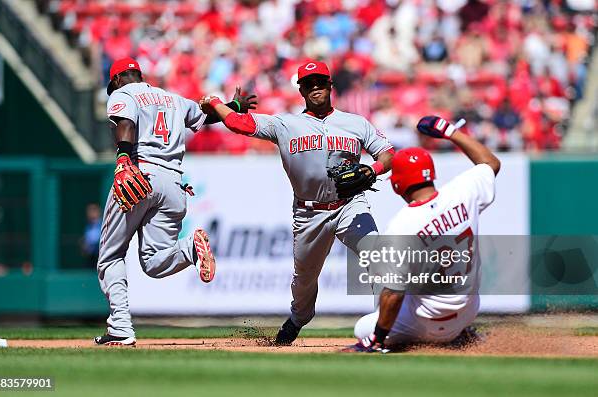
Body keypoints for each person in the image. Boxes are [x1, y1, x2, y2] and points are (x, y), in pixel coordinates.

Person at [200, 60, 395, 345]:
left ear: (330, 85)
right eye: (309, 84)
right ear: (302, 90)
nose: (315, 87)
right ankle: (297, 320)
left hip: (350, 204)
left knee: (378, 256)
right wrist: (217, 102)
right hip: (309, 213)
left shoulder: (356, 123)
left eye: (320, 82)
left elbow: (388, 154)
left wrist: (373, 169)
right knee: (304, 281)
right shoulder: (285, 123)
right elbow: (239, 123)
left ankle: (383, 330)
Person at [95, 57, 256, 346]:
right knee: (155, 263)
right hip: (173, 183)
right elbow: (206, 117)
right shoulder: (172, 98)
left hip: (138, 173)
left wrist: (122, 159)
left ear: (118, 79)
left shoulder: (123, 93)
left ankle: (120, 326)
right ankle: (189, 250)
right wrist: (235, 108)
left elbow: (126, 123)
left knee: (110, 255)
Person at [349, 115, 500, 352]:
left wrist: (378, 337)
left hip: (427, 322)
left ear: (397, 185)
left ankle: (402, 341)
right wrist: (449, 131)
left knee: (364, 326)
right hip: (469, 310)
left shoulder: (402, 225)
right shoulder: (463, 191)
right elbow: (491, 164)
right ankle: (460, 333)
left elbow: (393, 294)